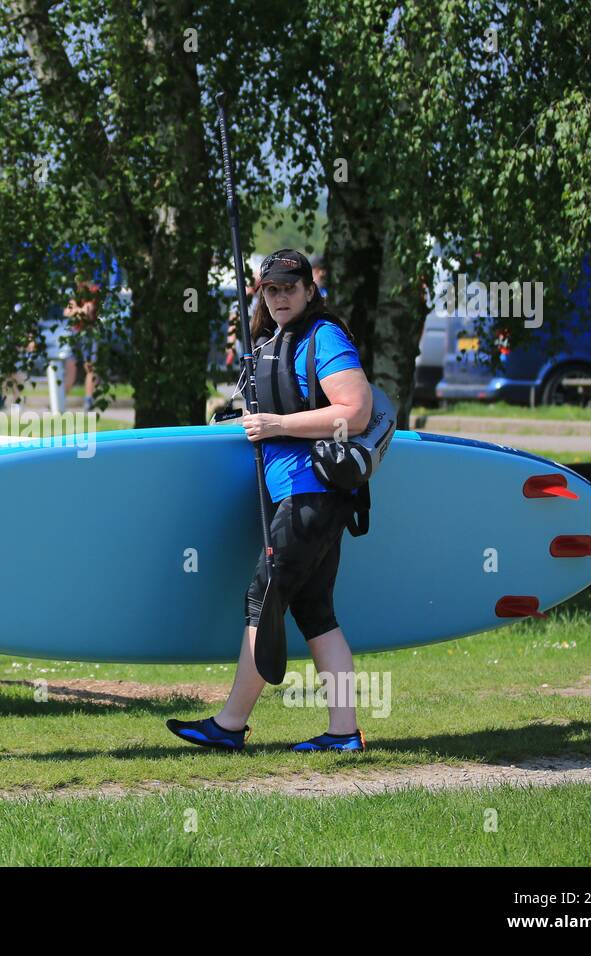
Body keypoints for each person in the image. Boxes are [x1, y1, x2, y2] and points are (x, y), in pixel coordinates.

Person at [167, 249, 375, 752]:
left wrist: (278, 425)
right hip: (294, 493)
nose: (280, 297)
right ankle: (344, 734)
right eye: (271, 290)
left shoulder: (324, 337)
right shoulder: (273, 340)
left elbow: (357, 412)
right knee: (315, 612)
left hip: (314, 492)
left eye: (289, 288)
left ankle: (230, 725)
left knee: (263, 597)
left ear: (308, 290)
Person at [62, 277, 102, 412]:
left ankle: (88, 400)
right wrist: (78, 310)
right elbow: (67, 312)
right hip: (75, 333)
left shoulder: (94, 291)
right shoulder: (76, 292)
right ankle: (60, 400)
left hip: (89, 333)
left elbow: (88, 311)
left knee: (89, 367)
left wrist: (77, 310)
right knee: (70, 367)